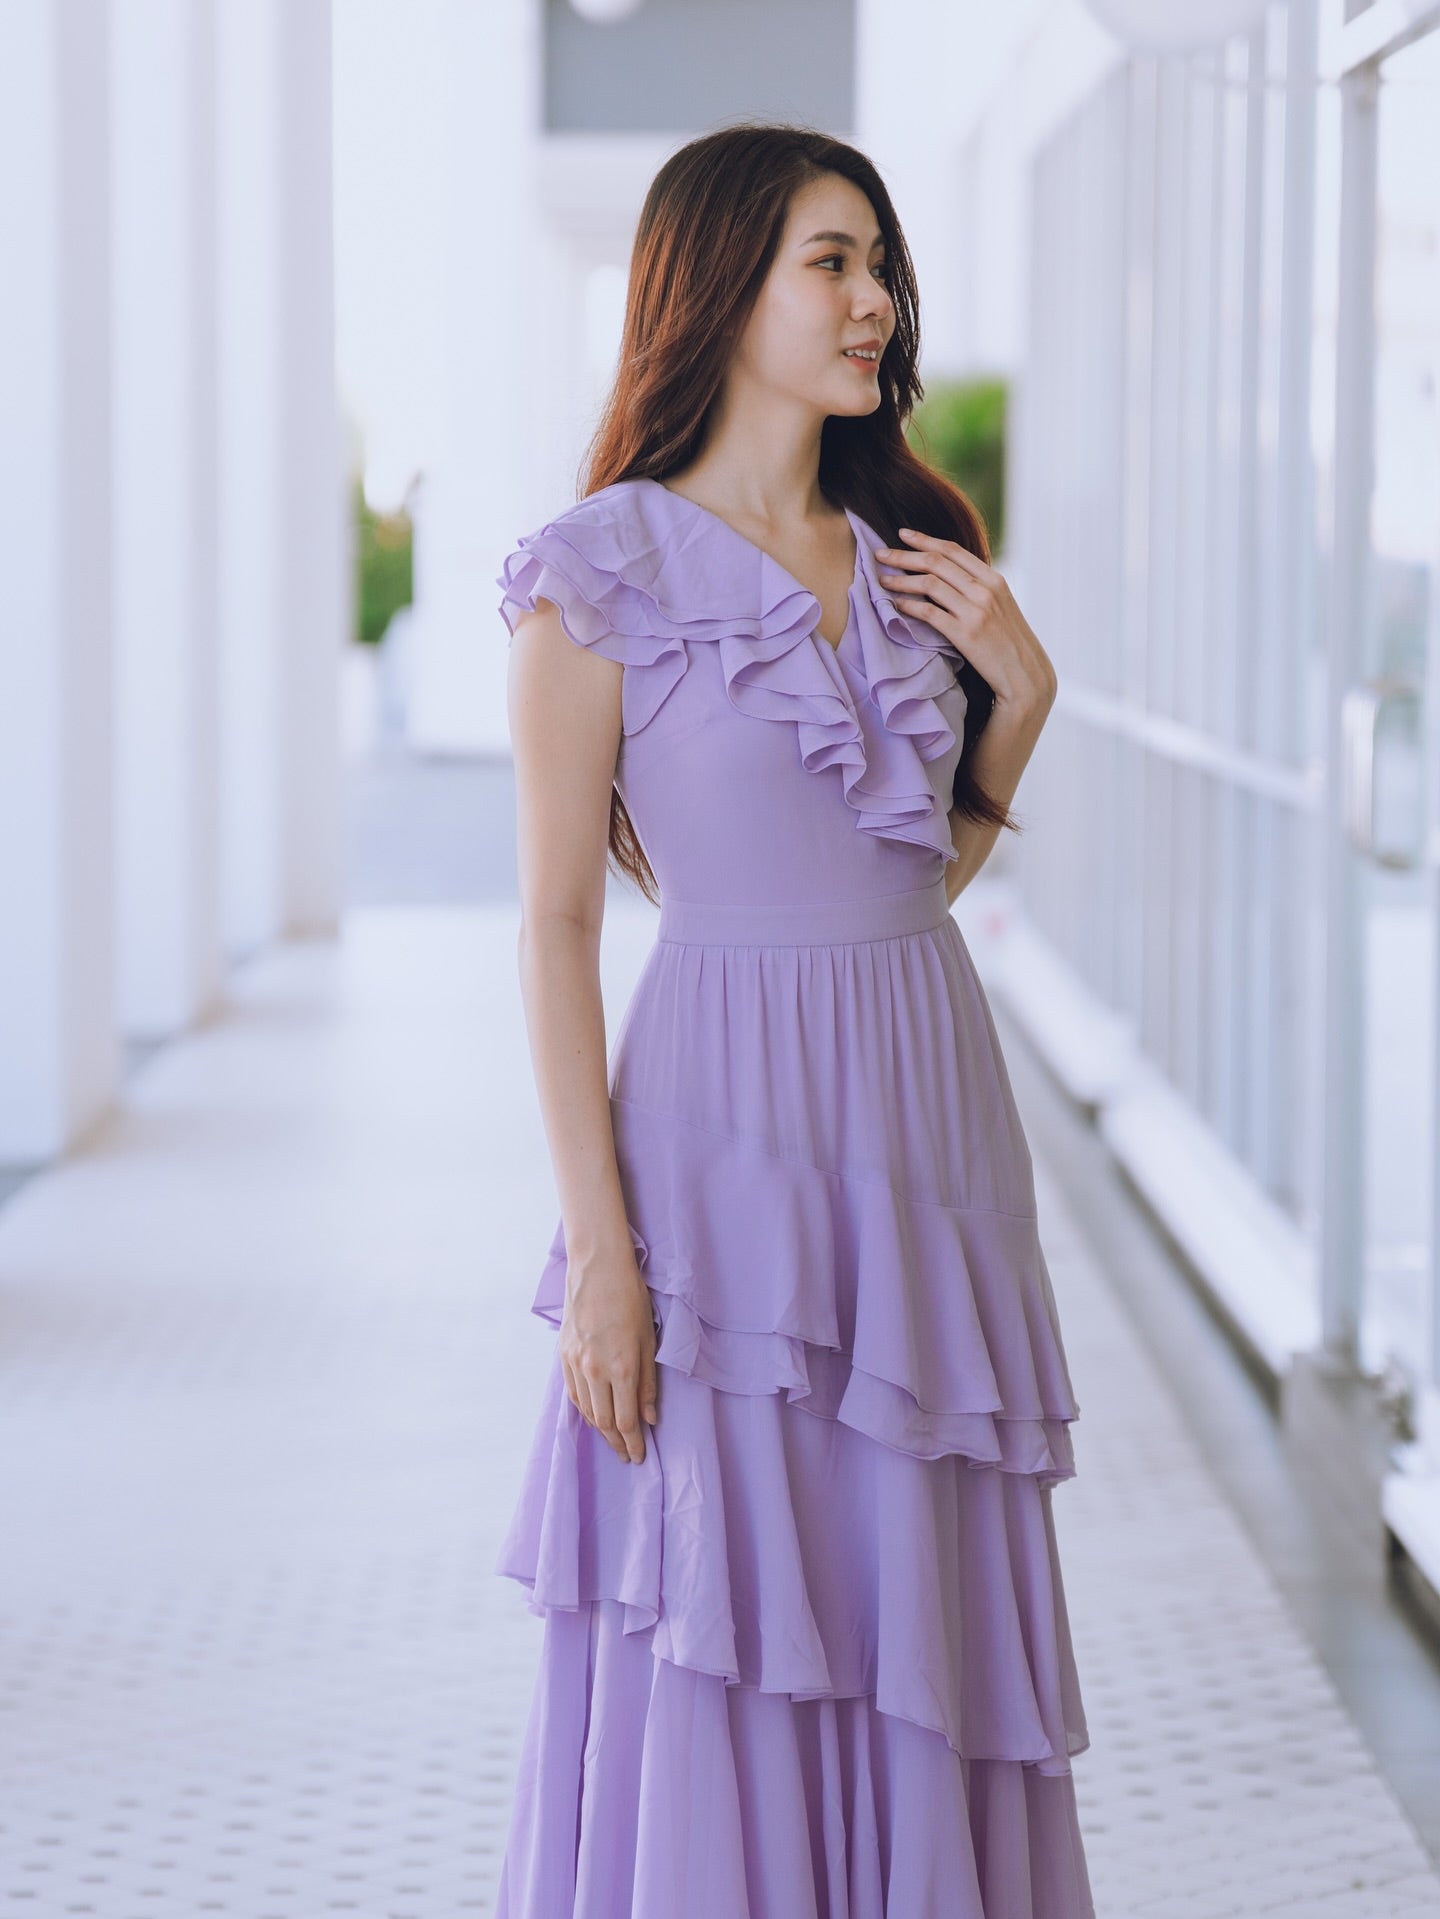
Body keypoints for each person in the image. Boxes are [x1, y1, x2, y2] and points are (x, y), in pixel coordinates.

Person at [491, 121, 1094, 1918]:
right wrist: (605, 1256)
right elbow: (554, 925)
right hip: (717, 1147)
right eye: (832, 261)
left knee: (913, 1591)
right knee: (726, 1597)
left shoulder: (913, 558)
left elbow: (907, 885)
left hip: (926, 1136)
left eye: (880, 264)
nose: (874, 300)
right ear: (715, 286)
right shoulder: (595, 575)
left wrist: (1017, 707)